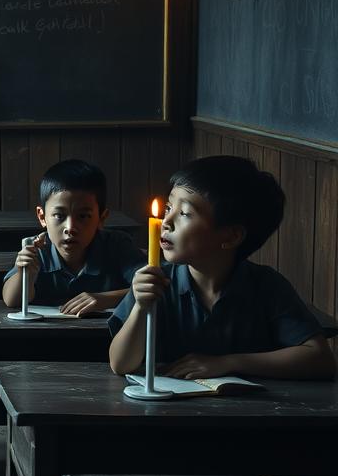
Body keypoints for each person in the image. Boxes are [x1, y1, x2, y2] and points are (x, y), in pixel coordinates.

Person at [108, 156, 336, 379]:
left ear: (232, 236)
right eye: (168, 208)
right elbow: (120, 364)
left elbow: (320, 358)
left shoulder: (266, 286)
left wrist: (229, 363)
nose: (166, 222)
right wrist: (140, 306)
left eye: (185, 213)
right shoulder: (158, 281)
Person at [1, 159, 144, 316]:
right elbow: (11, 300)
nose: (70, 228)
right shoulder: (37, 248)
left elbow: (153, 286)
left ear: (102, 218)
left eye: (83, 216)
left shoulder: (117, 245)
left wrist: (105, 299)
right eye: (59, 216)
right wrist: (26, 274)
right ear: (42, 217)